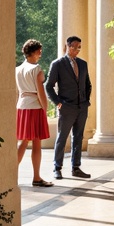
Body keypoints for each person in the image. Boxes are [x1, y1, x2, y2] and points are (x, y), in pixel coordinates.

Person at [45, 35, 92, 181]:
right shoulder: (57, 64)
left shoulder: (83, 64)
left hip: (82, 107)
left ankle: (76, 168)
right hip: (66, 107)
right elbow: (48, 86)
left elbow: (88, 84)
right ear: (67, 46)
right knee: (62, 138)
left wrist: (86, 100)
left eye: (79, 47)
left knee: (78, 137)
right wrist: (58, 102)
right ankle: (57, 168)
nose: (77, 50)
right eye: (74, 47)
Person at [15, 39, 53, 187]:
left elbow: (17, 92)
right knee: (36, 143)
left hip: (21, 107)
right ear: (35, 51)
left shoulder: (17, 69)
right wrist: (45, 108)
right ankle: (36, 178)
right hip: (35, 107)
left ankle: (11, 175)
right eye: (39, 51)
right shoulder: (36, 69)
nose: (40, 54)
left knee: (23, 141)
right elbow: (40, 92)